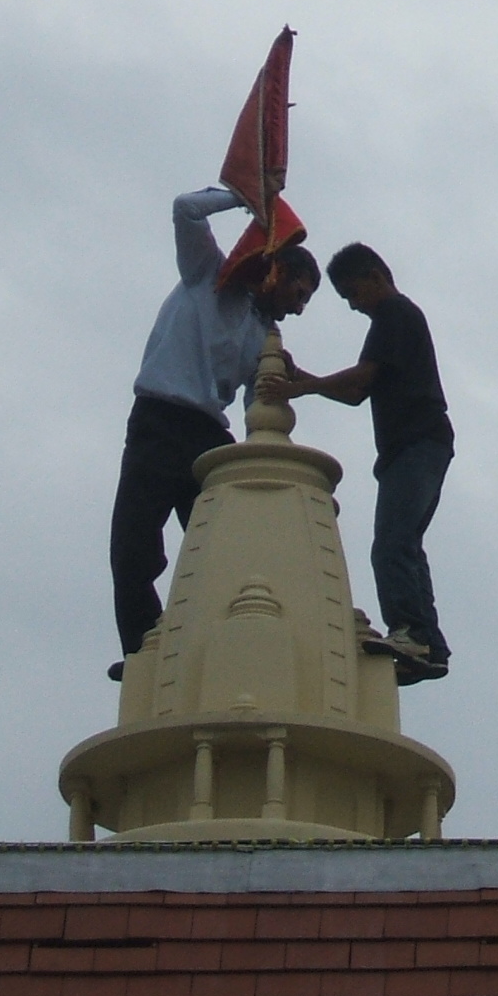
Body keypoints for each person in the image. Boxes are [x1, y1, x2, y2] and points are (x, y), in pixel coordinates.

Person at [109, 188, 319, 681]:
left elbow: (255, 408)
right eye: (300, 292)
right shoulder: (210, 277)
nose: (301, 306)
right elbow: (185, 208)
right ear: (278, 273)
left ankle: (225, 647)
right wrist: (248, 198)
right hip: (159, 421)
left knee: (230, 550)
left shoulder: (265, 335)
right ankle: (144, 653)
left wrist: (279, 388)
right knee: (134, 548)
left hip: (209, 438)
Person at [264, 245, 455, 682]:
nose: (352, 304)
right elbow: (355, 393)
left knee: (392, 543)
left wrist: (297, 391)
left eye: (352, 293)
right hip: (414, 448)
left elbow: (360, 379)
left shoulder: (395, 315)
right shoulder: (393, 321)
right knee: (403, 543)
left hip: (417, 444)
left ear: (375, 277)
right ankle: (429, 647)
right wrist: (304, 380)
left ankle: (412, 632)